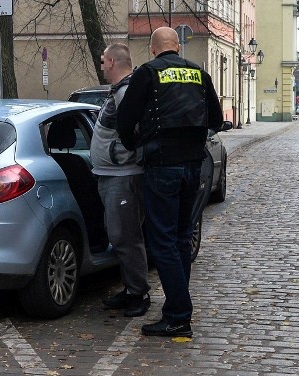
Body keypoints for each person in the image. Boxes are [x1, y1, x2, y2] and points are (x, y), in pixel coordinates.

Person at [117, 27, 223, 337]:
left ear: (152, 50)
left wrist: (133, 144)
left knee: (161, 241)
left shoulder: (148, 73)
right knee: (179, 239)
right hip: (194, 165)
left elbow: (125, 119)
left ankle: (179, 314)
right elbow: (215, 120)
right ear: (178, 46)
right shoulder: (199, 74)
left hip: (162, 165)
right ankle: (175, 310)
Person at [90, 43, 150, 317]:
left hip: (124, 175)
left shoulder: (127, 92)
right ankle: (130, 289)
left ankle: (138, 294)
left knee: (126, 237)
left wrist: (121, 155)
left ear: (112, 61)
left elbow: (137, 131)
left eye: (103, 61)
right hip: (112, 173)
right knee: (120, 235)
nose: (102, 66)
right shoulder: (121, 90)